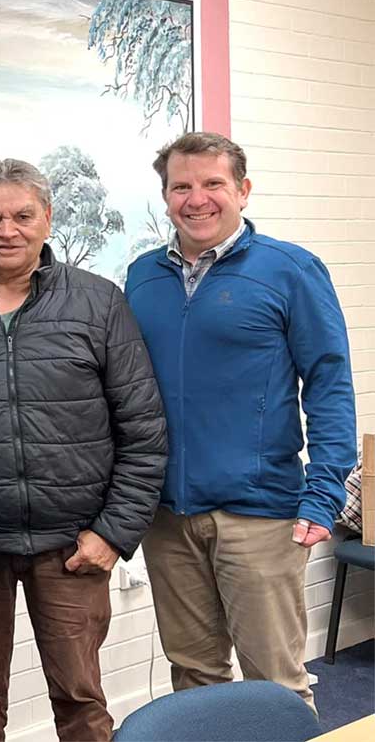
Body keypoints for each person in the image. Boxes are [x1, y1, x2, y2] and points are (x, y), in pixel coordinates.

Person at [126, 131, 357, 708]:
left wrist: (323, 492)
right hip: (167, 516)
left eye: (213, 184)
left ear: (243, 191)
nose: (196, 198)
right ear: (166, 196)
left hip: (261, 515)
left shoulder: (291, 270)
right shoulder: (141, 277)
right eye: (182, 186)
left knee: (275, 687)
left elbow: (330, 387)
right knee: (193, 681)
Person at [0, 158, 168, 741]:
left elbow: (143, 430)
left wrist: (113, 534)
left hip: (72, 545)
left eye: (22, 216)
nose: (6, 230)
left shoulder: (97, 303)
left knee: (79, 696)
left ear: (47, 219)